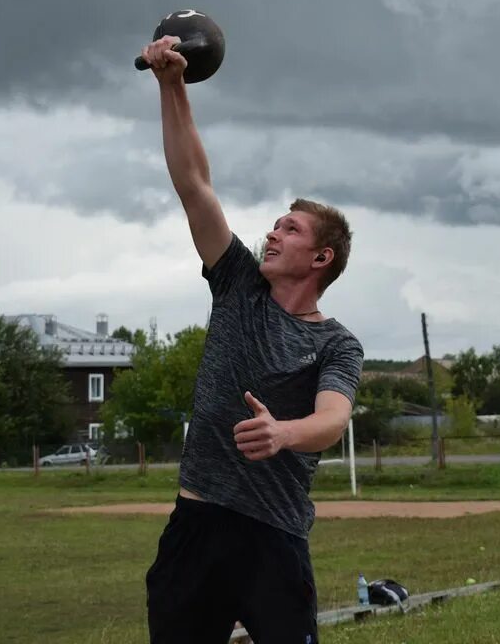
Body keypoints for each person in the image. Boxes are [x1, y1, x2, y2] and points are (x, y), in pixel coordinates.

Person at [139, 34, 364, 644]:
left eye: (288, 230)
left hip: (273, 536)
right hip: (197, 523)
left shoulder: (336, 345)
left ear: (321, 256)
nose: (271, 233)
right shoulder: (238, 284)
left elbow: (332, 421)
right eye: (273, 224)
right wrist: (171, 84)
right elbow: (194, 183)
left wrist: (282, 434)